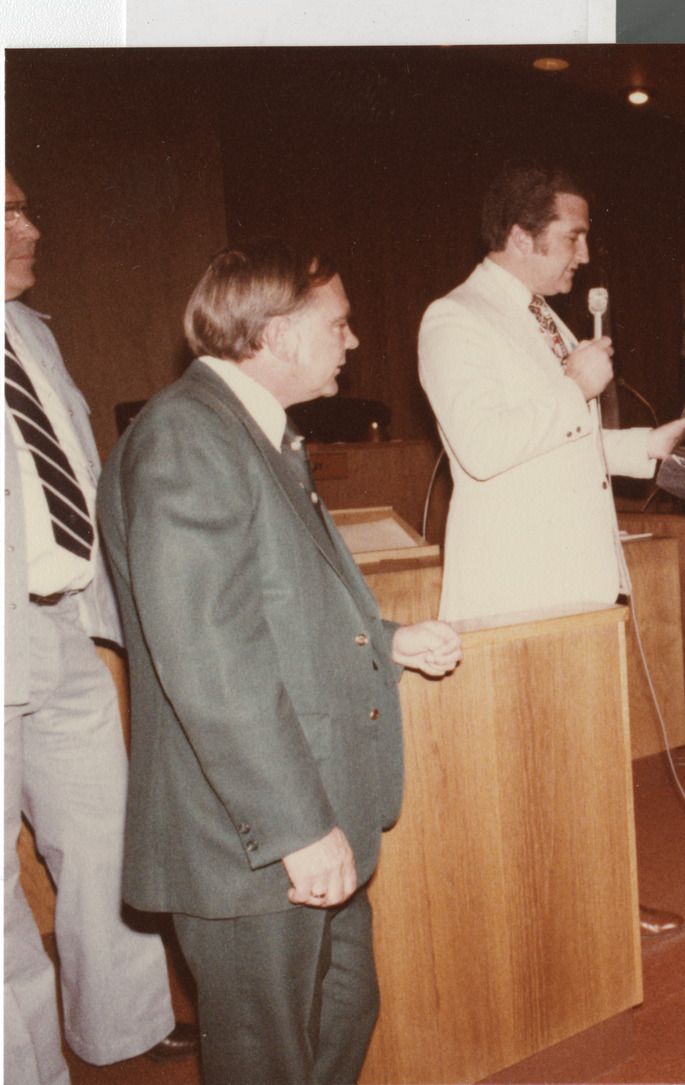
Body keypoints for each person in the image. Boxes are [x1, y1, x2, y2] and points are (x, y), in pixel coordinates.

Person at [96, 238, 462, 1085]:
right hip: (248, 832)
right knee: (267, 1053)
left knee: (340, 1006)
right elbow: (210, 657)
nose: (354, 340)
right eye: (338, 322)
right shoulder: (190, 439)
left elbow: (279, 598)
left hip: (291, 802)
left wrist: (387, 638)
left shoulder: (251, 433)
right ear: (274, 333)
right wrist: (296, 826)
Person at [418, 165, 685, 938]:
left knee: (588, 759)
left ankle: (600, 896)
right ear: (520, 235)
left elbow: (566, 446)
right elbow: (482, 446)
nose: (584, 253)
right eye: (573, 236)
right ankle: (536, 925)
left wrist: (649, 444)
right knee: (525, 776)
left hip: (578, 579)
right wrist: (573, 385)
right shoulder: (457, 319)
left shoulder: (550, 321)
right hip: (518, 587)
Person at [4, 170, 197, 1085]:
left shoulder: (31, 335)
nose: (31, 226)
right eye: (5, 210)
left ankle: (123, 1024)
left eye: (26, 203)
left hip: (61, 626)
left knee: (101, 834)